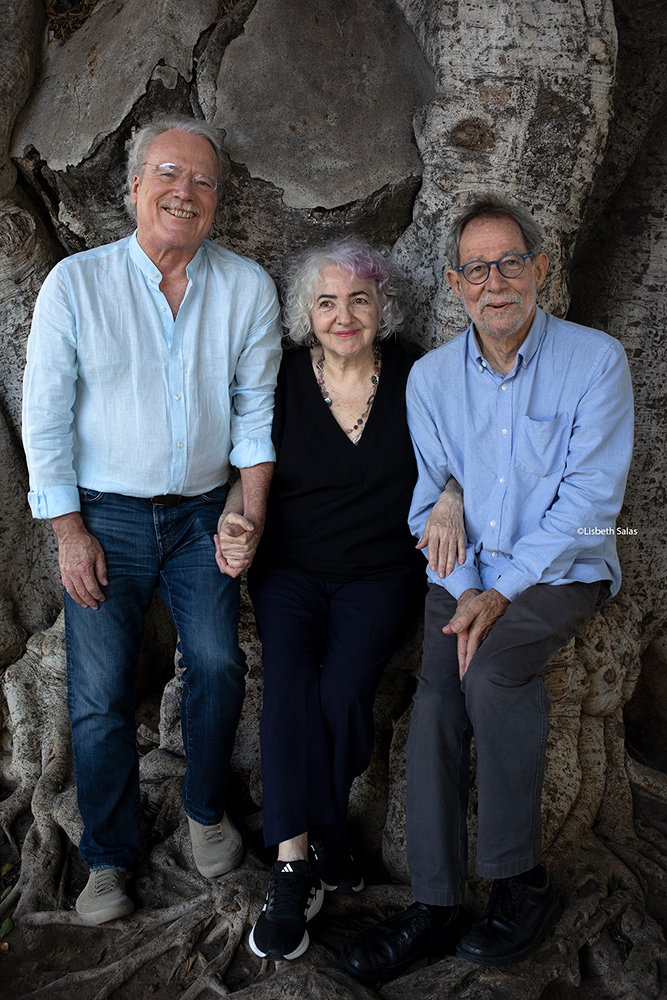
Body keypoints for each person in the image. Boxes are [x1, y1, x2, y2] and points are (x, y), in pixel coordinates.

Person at [340, 194, 634, 983]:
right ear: (455, 283)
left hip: (558, 569)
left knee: (494, 671)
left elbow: (588, 503)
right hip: (462, 570)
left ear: (540, 268)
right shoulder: (432, 380)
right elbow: (427, 502)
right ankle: (434, 904)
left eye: (509, 263)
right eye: (476, 269)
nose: (494, 282)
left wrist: (497, 593)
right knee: (436, 698)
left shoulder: (594, 361)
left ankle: (519, 883)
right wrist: (467, 580)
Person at [22, 115, 282, 925]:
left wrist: (248, 514)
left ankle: (204, 810)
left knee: (218, 663)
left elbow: (255, 414)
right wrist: (69, 534)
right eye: (168, 173)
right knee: (99, 696)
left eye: (203, 181)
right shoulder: (76, 284)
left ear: (217, 201)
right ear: (134, 187)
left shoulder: (245, 287)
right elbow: (44, 418)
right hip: (103, 517)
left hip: (205, 511)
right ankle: (107, 858)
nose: (185, 192)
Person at [216, 238, 464, 962]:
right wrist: (235, 518)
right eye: (326, 302)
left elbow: (470, 450)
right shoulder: (283, 376)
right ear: (307, 315)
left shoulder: (417, 372)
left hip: (381, 573)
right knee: (288, 689)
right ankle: (295, 863)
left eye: (359, 299)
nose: (343, 315)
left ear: (382, 307)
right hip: (290, 570)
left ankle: (326, 828)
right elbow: (245, 469)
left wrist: (453, 493)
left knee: (344, 693)